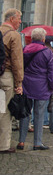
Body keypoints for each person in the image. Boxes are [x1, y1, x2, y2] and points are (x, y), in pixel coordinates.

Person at [17, 28, 53, 151]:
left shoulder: (24, 50)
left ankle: (21, 141)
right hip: (41, 87)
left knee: (25, 113)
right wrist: (52, 86)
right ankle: (37, 142)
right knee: (39, 115)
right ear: (43, 39)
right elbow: (52, 73)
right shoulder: (48, 53)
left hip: (26, 85)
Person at [0, 8, 23, 154]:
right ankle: (3, 145)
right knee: (5, 111)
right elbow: (17, 60)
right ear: (12, 19)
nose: (20, 21)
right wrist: (19, 82)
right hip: (6, 75)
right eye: (19, 18)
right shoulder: (14, 35)